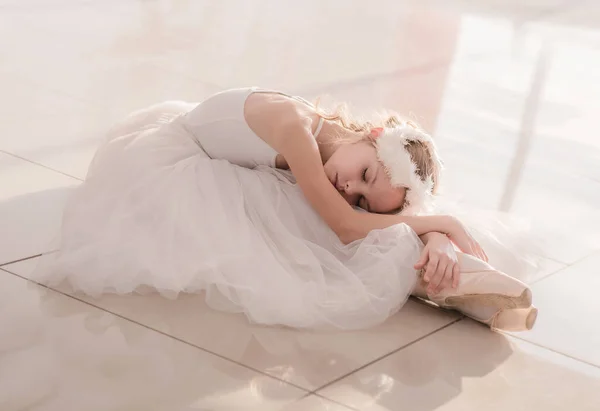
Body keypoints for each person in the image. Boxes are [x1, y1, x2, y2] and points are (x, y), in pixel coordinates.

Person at [34, 87, 537, 331]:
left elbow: (355, 211)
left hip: (249, 174)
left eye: (364, 195)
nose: (350, 188)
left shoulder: (343, 156)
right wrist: (441, 223)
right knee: (331, 233)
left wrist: (428, 227)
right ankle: (440, 280)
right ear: (372, 133)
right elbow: (345, 224)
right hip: (178, 164)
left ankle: (448, 273)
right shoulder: (297, 129)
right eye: (363, 175)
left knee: (345, 225)